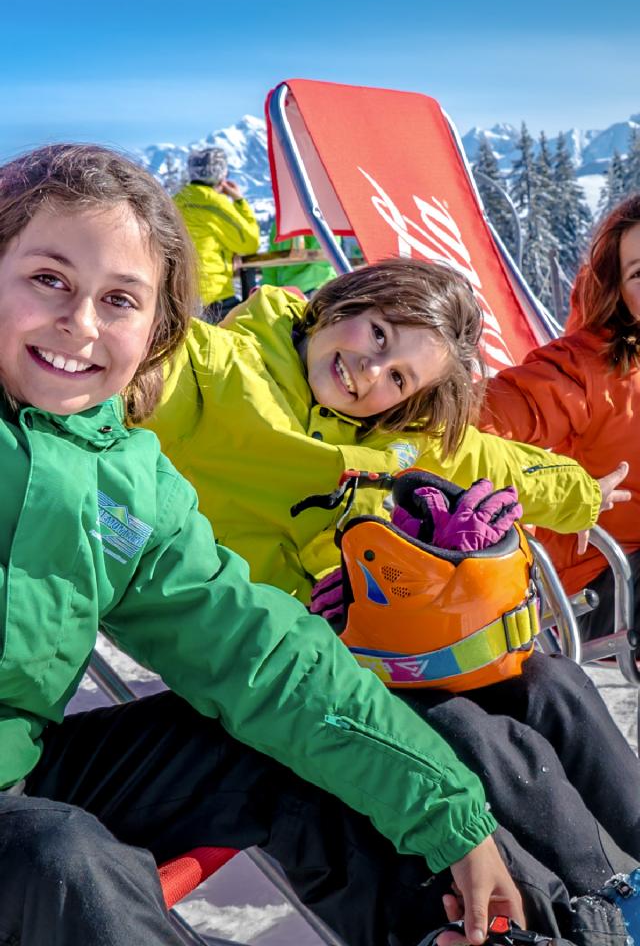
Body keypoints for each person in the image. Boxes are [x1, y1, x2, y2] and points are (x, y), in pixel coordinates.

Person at [0, 140, 577, 946]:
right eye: (49, 280)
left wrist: (455, 821)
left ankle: (519, 931)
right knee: (61, 860)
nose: (81, 324)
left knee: (307, 745)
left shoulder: (124, 473)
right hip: (26, 833)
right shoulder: (231, 371)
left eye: (121, 300)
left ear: (155, 323)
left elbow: (255, 651)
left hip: (19, 766)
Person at [144, 264, 639, 900]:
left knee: (550, 684)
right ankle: (595, 902)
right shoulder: (215, 371)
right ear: (342, 302)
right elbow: (129, 351)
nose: (371, 372)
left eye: (399, 376)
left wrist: (581, 494)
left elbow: (494, 462)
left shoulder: (393, 432)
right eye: (377, 334)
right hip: (274, 653)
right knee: (469, 731)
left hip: (371, 641)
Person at [479, 194, 640, 643]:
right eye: (639, 273)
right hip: (604, 580)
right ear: (619, 292)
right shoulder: (585, 370)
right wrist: (564, 491)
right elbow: (476, 422)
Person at [174, 145, 260, 322]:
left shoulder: (176, 201)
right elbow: (249, 242)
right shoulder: (214, 204)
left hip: (180, 294)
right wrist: (239, 200)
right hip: (213, 295)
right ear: (221, 175)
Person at [260, 220, 339, 295]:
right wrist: (269, 290)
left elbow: (324, 261)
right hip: (285, 291)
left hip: (315, 287)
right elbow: (271, 263)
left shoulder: (320, 216)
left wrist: (292, 288)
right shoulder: (281, 220)